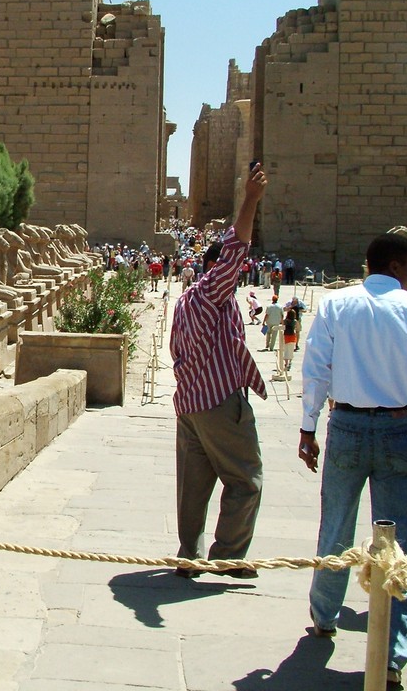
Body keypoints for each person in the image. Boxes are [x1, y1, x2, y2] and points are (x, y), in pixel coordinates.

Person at [297, 233, 407, 686]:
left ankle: (324, 615)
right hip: (398, 427)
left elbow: (316, 369)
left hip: (346, 424)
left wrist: (308, 427)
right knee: (400, 542)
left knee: (335, 524)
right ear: (397, 266)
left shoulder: (336, 305)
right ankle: (394, 654)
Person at [169, 160, 269, 579]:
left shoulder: (184, 300)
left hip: (190, 404)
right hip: (218, 403)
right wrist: (250, 199)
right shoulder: (213, 291)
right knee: (246, 480)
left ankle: (188, 554)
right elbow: (235, 248)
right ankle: (227, 554)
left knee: (194, 487)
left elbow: (178, 353)